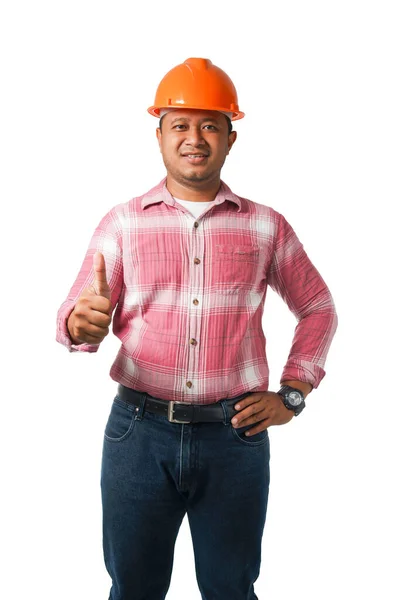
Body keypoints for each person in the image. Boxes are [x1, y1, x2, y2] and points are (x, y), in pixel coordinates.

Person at [56, 57, 338, 600]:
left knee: (231, 589)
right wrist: (81, 323)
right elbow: (79, 313)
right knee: (133, 588)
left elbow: (318, 306)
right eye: (180, 125)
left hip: (237, 437)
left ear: (230, 139)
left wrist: (294, 392)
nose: (194, 138)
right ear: (159, 134)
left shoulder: (264, 225)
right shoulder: (123, 222)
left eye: (210, 125)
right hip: (138, 435)